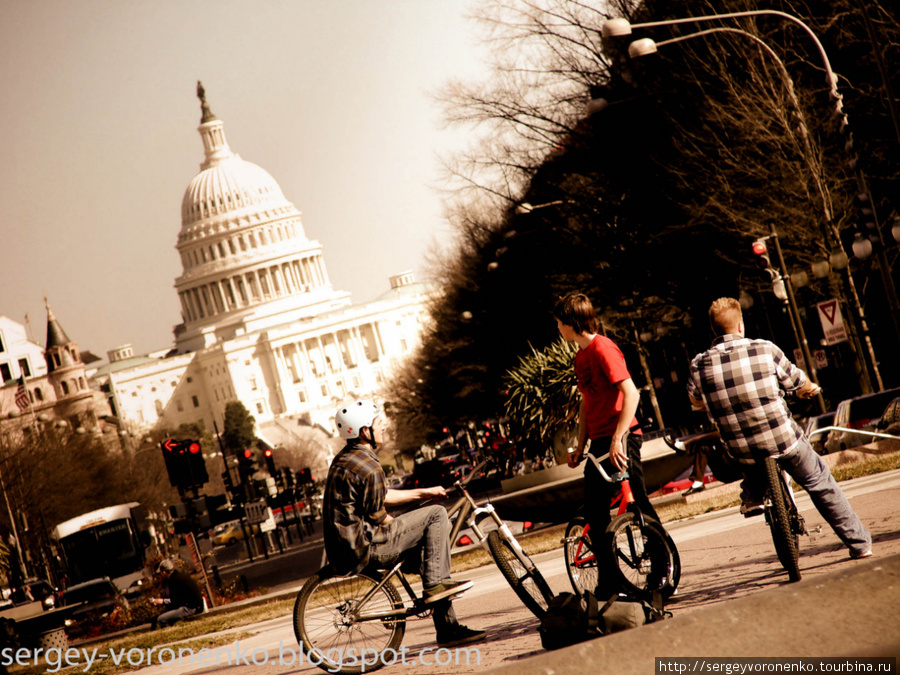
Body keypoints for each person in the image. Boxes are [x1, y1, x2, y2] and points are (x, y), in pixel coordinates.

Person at [687, 297, 872, 559]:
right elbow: (798, 381)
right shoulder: (764, 349)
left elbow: (695, 401)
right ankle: (860, 544)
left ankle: (752, 493)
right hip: (783, 440)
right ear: (740, 326)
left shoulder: (698, 365)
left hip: (740, 450)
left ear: (713, 331)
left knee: (748, 457)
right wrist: (809, 389)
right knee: (819, 480)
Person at [324, 400, 485, 648]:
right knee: (436, 515)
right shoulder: (369, 466)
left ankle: (448, 628)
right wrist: (404, 527)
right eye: (379, 423)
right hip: (366, 547)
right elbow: (379, 516)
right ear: (365, 431)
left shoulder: (347, 459)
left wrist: (424, 493)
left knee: (430, 551)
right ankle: (436, 591)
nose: (384, 427)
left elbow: (381, 495)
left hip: (347, 545)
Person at [553, 293, 666, 596]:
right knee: (595, 511)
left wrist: (618, 438)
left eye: (559, 323)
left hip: (624, 434)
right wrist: (580, 444)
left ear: (570, 323)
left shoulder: (603, 348)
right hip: (600, 439)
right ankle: (609, 582)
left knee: (639, 501)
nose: (558, 329)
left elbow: (631, 393)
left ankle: (661, 570)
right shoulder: (580, 356)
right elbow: (586, 403)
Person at [150, 559, 205, 629]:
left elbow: (175, 601)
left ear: (164, 572)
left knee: (161, 619)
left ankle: (170, 632)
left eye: (160, 573)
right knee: (165, 615)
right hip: (196, 605)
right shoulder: (178, 575)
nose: (159, 576)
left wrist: (162, 601)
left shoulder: (174, 581)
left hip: (191, 608)